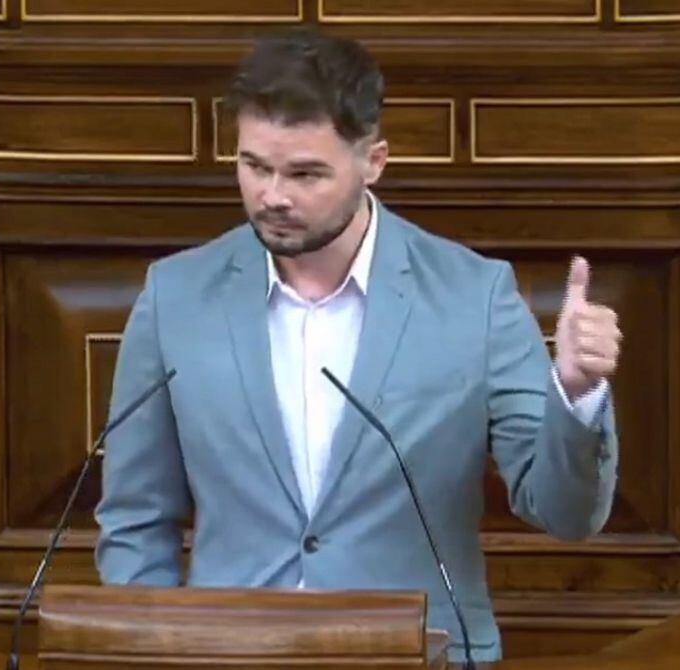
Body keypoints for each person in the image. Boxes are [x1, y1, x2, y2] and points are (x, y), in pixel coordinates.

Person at [94, 28, 621, 663]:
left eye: (305, 173)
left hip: (416, 655)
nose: (272, 196)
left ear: (373, 162)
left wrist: (576, 393)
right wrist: (155, 651)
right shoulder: (175, 296)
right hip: (229, 656)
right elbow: (134, 520)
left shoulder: (474, 297)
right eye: (253, 165)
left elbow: (565, 513)